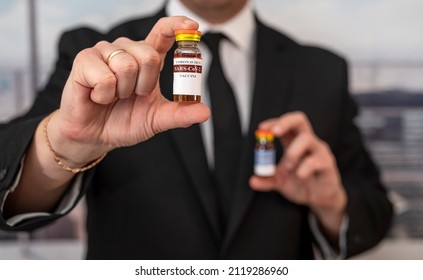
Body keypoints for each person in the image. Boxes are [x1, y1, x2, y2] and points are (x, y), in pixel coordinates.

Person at [0, 0, 392, 259]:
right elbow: (8, 174)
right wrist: (66, 143)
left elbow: (374, 213)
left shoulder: (321, 72)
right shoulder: (97, 56)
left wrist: (330, 204)